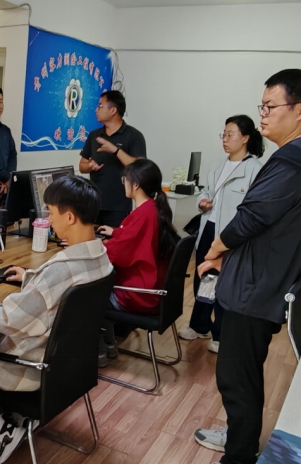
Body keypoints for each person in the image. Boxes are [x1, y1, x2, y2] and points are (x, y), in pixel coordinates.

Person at [187, 70, 301, 464]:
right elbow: (269, 228)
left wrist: (214, 250)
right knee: (242, 371)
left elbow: (250, 218)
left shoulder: (294, 162)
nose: (262, 114)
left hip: (255, 289)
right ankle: (238, 437)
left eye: (269, 106)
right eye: (261, 106)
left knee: (237, 376)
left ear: (300, 110)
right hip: (260, 280)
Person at [0, 176, 112, 464]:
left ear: (70, 217)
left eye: (51, 212)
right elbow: (60, 286)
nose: (48, 220)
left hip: (30, 366)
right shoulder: (101, 257)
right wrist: (32, 277)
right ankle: (8, 417)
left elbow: (9, 320)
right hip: (69, 367)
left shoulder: (60, 271)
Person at [177, 115, 264, 354]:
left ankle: (221, 333)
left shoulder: (254, 169)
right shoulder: (218, 166)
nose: (225, 139)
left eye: (230, 134)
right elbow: (205, 191)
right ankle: (199, 325)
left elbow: (254, 207)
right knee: (203, 278)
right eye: (223, 134)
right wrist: (202, 201)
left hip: (231, 234)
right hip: (209, 228)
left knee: (225, 283)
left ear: (245, 138)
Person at [96, 159, 179, 367]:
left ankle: (99, 352)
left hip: (138, 294)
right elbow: (134, 239)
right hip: (152, 290)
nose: (123, 182)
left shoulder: (143, 214)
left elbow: (117, 253)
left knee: (87, 296)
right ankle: (109, 344)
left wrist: (85, 244)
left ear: (136, 184)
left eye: (125, 179)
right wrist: (116, 233)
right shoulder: (152, 208)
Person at [79, 90, 147, 227]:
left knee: (115, 239)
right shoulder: (94, 135)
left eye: (100, 106)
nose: (96, 110)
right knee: (92, 239)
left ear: (113, 110)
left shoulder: (134, 135)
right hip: (93, 204)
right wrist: (90, 166)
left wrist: (115, 150)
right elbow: (81, 166)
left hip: (119, 207)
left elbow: (140, 168)